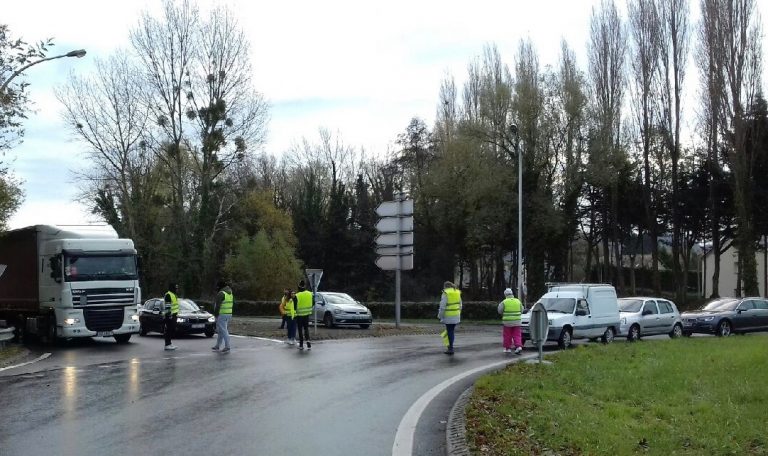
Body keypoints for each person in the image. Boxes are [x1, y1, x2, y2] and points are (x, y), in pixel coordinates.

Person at [437, 281, 462, 355]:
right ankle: (450, 347)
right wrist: (458, 313)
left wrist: (439, 316)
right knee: (450, 331)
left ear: (445, 286)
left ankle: (450, 348)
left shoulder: (445, 293)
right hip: (456, 315)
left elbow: (442, 306)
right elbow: (460, 305)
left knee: (449, 331)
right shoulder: (457, 292)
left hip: (448, 315)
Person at [498, 288, 523, 354]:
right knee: (517, 335)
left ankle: (507, 348)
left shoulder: (504, 302)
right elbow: (522, 310)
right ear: (512, 294)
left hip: (507, 322)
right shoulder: (518, 301)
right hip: (517, 322)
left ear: (505, 295)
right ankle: (518, 347)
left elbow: (499, 311)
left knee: (507, 335)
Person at [212, 280, 234, 353]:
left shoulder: (221, 293)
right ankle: (217, 345)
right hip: (228, 314)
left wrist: (215, 315)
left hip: (222, 314)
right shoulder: (230, 293)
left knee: (223, 330)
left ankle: (227, 346)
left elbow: (217, 306)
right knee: (221, 330)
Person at [294, 281, 314, 350]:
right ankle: (308, 341)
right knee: (306, 328)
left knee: (300, 329)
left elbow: (294, 306)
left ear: (299, 287)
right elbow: (313, 302)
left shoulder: (297, 295)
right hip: (307, 314)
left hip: (299, 315)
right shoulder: (310, 294)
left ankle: (301, 345)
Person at [163, 282, 180, 351]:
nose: (177, 289)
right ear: (173, 288)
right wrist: (169, 316)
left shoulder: (174, 295)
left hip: (174, 315)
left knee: (171, 329)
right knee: (168, 330)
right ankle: (167, 344)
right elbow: (167, 307)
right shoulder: (168, 295)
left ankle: (169, 343)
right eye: (176, 288)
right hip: (170, 315)